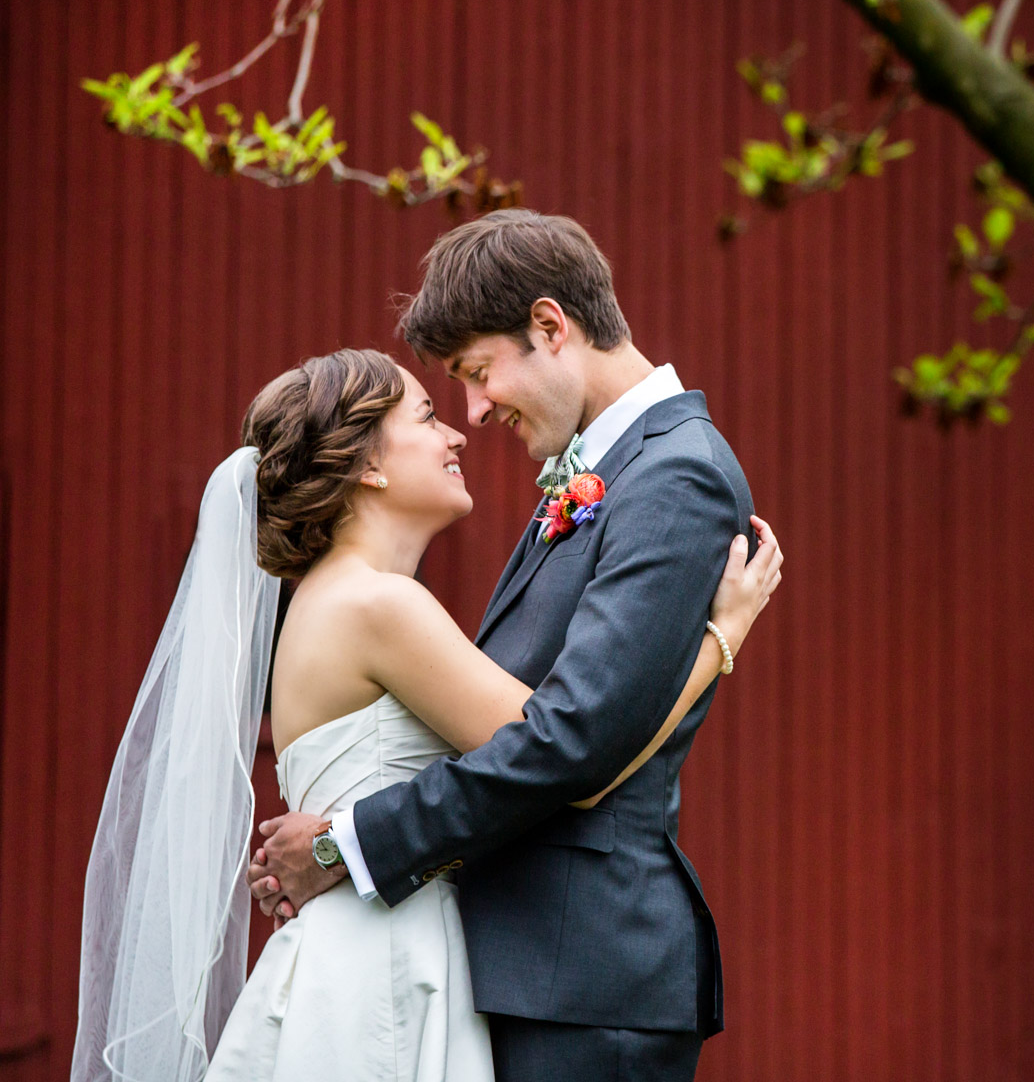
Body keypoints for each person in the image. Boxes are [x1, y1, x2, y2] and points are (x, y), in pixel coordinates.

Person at [244, 210, 764, 1082]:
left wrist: (345, 842)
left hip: (587, 977)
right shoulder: (592, 477)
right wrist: (718, 641)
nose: (473, 413)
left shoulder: (675, 473)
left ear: (551, 327)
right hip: (513, 966)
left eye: (478, 374)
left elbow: (573, 743)